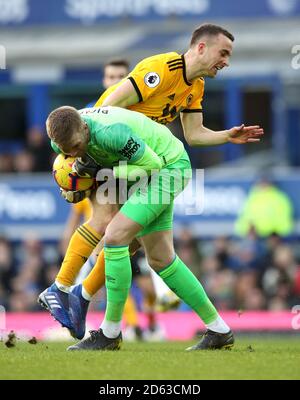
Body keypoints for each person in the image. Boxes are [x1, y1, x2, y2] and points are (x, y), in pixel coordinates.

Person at [41, 23, 263, 340]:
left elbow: (194, 135)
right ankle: (69, 293)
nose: (226, 61)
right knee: (110, 227)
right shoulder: (160, 69)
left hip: (145, 161)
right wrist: (89, 159)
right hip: (113, 150)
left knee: (134, 245)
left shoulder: (195, 86)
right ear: (201, 47)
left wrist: (226, 136)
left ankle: (81, 301)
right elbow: (108, 106)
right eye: (223, 53)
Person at [45, 104, 236, 351]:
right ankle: (219, 330)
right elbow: (71, 164)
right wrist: (71, 185)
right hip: (149, 173)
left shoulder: (112, 134)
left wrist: (105, 172)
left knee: (114, 237)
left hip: (168, 168)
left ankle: (110, 333)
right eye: (67, 150)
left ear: (84, 127)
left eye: (77, 146)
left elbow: (152, 165)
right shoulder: (63, 137)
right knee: (161, 260)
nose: (74, 153)